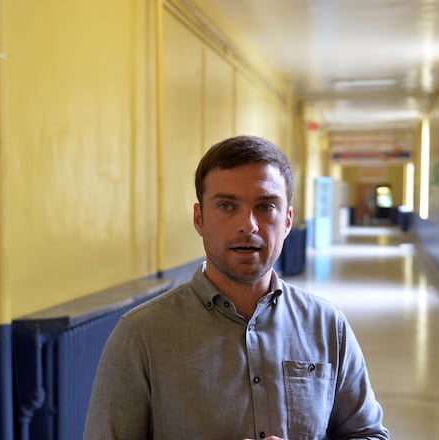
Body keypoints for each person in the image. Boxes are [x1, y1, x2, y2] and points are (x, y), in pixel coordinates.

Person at [84, 135, 389, 440]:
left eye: (265, 206)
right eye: (227, 206)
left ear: (287, 221)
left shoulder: (327, 326)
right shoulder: (140, 337)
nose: (248, 225)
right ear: (199, 219)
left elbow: (369, 434)